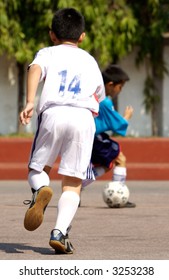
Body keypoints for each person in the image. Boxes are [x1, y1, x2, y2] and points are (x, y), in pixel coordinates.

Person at [20, 8, 105, 254]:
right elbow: (98, 94)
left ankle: (40, 190)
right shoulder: (90, 59)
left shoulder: (47, 53)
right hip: (83, 117)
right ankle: (59, 232)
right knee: (73, 182)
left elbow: (35, 69)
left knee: (38, 168)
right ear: (82, 37)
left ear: (52, 35)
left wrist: (29, 102)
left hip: (54, 113)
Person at [82, 64, 136, 208]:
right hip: (95, 138)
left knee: (107, 164)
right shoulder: (105, 101)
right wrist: (126, 117)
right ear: (111, 85)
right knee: (120, 158)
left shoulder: (92, 95)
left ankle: (76, 187)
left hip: (87, 137)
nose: (120, 90)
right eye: (120, 87)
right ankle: (119, 195)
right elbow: (117, 126)